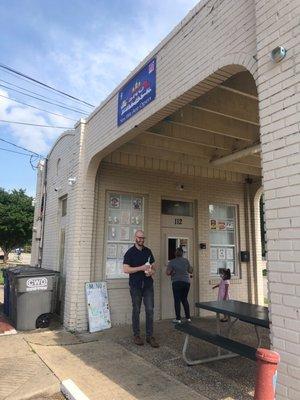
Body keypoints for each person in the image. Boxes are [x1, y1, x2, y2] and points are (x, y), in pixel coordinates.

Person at [123, 230, 159, 348]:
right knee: (136, 310)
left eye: (143, 238)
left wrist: (151, 272)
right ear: (135, 238)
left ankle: (150, 336)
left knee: (149, 310)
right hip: (135, 286)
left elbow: (153, 268)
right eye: (139, 238)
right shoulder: (130, 253)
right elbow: (126, 269)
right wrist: (141, 268)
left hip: (148, 285)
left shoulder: (148, 251)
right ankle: (137, 335)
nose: (141, 240)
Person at [166, 247, 193, 324]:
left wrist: (172, 273)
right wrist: (190, 268)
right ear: (182, 254)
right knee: (184, 299)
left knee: (177, 300)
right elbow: (190, 271)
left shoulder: (172, 262)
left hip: (177, 282)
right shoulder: (186, 261)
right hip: (186, 283)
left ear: (175, 253)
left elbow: (167, 273)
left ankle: (178, 319)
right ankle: (188, 318)